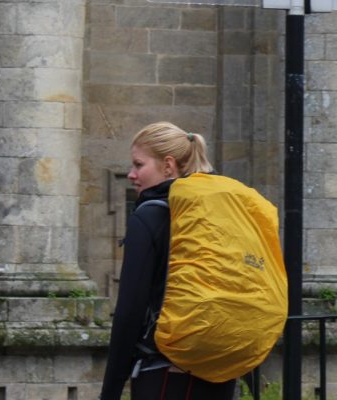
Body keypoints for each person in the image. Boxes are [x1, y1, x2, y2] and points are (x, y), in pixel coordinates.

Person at [100, 121, 237, 400]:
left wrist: (111, 390)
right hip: (220, 369)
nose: (131, 174)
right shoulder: (217, 213)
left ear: (168, 165)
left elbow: (130, 310)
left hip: (163, 372)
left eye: (139, 165)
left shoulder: (150, 217)